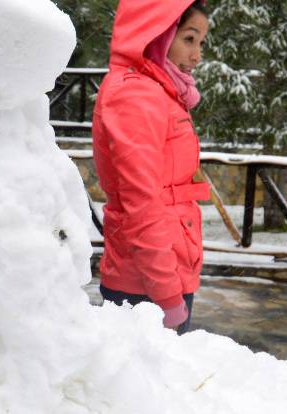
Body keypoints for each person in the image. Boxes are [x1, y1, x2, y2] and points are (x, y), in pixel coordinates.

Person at [93, 0, 210, 334]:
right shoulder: (136, 95)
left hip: (164, 269)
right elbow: (141, 202)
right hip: (146, 285)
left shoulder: (159, 91)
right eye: (189, 39)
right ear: (158, 34)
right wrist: (166, 293)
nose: (197, 55)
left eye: (201, 42)